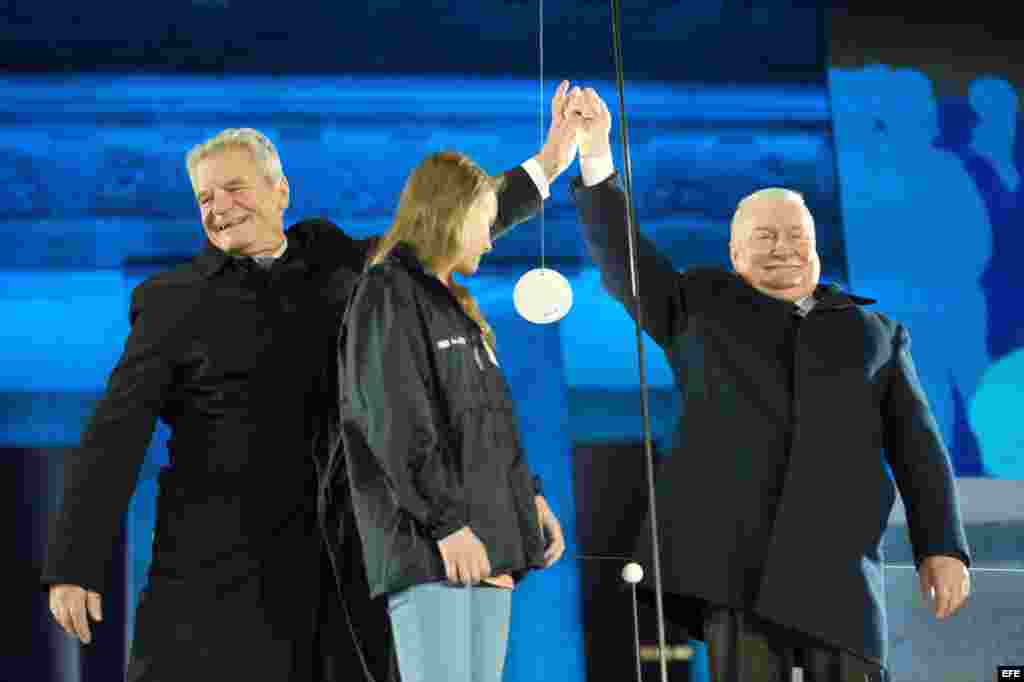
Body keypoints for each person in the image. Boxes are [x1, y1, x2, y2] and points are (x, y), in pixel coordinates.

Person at [42, 80, 580, 681]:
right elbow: (115, 432)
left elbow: (440, 233)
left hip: (339, 559)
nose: (218, 207)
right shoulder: (172, 301)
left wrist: (549, 164)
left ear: (280, 190)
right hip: (218, 567)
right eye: (204, 198)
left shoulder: (342, 264)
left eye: (234, 187)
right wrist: (74, 562)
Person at [565, 87, 972, 682]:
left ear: (817, 245)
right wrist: (597, 155)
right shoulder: (697, 306)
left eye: (796, 234)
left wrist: (942, 546)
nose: (784, 247)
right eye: (764, 237)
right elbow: (623, 257)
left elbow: (919, 451)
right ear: (734, 252)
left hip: (843, 575)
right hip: (736, 570)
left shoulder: (877, 333)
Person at [333, 149, 568, 682]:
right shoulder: (386, 292)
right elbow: (395, 421)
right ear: (453, 215)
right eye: (485, 224)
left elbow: (488, 423)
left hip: (487, 546)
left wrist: (526, 498)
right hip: (436, 548)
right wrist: (447, 524)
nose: (489, 239)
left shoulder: (454, 305)